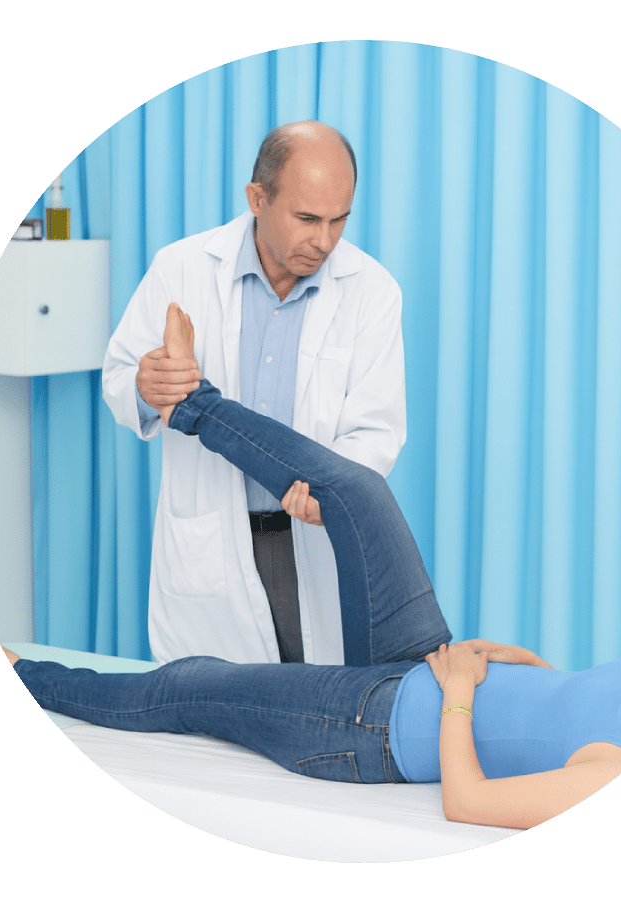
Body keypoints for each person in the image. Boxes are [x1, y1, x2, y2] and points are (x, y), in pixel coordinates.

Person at [6, 304, 621, 831]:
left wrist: (459, 694)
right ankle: (191, 403)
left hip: (373, 727)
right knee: (358, 489)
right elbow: (562, 709)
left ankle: (24, 676)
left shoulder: (616, 779)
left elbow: (468, 801)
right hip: (431, 658)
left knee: (197, 686)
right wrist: (516, 663)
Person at [102, 121, 406, 666]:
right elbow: (120, 378)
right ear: (257, 199)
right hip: (212, 541)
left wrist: (334, 488)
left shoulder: (372, 290)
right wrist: (147, 387)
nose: (325, 241)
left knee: (310, 702)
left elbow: (377, 428)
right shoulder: (181, 268)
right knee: (205, 704)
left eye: (339, 220)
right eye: (307, 219)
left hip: (312, 540)